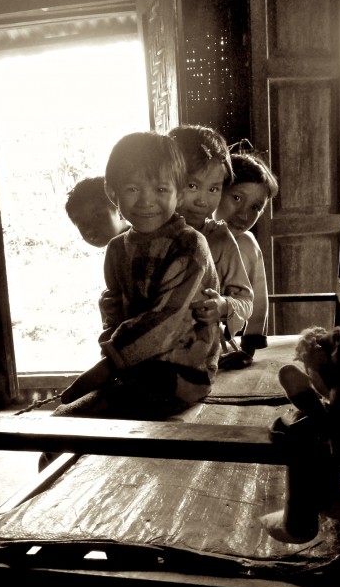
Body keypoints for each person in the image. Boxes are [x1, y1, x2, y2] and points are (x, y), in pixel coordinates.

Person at [53, 131, 221, 421]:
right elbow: (112, 304)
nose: (146, 201)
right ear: (113, 193)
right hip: (131, 366)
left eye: (160, 189)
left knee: (75, 418)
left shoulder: (190, 245)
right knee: (66, 419)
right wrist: (112, 355)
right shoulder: (118, 248)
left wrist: (109, 365)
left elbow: (170, 317)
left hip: (182, 370)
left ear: (179, 193)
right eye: (132, 189)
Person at [168, 124, 254, 344]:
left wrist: (223, 306)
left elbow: (245, 300)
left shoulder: (219, 238)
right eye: (192, 185)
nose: (202, 200)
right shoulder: (145, 235)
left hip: (202, 350)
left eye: (213, 189)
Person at [214, 149, 280, 368]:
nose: (244, 214)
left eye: (255, 207)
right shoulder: (190, 236)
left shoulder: (246, 245)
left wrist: (247, 350)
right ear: (217, 190)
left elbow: (258, 301)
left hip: (219, 342)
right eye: (237, 198)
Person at [65, 176, 129, 247]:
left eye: (97, 216)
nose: (90, 229)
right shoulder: (118, 249)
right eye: (82, 224)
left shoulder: (138, 246)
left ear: (121, 210)